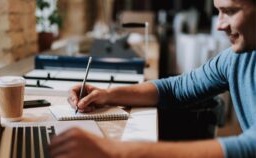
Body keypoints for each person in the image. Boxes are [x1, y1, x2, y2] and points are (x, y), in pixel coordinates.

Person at [49, 0, 256, 157]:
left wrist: (113, 150)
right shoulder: (236, 58)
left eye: (230, 11)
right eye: (217, 11)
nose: (219, 25)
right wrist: (106, 95)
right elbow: (176, 88)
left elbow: (248, 148)